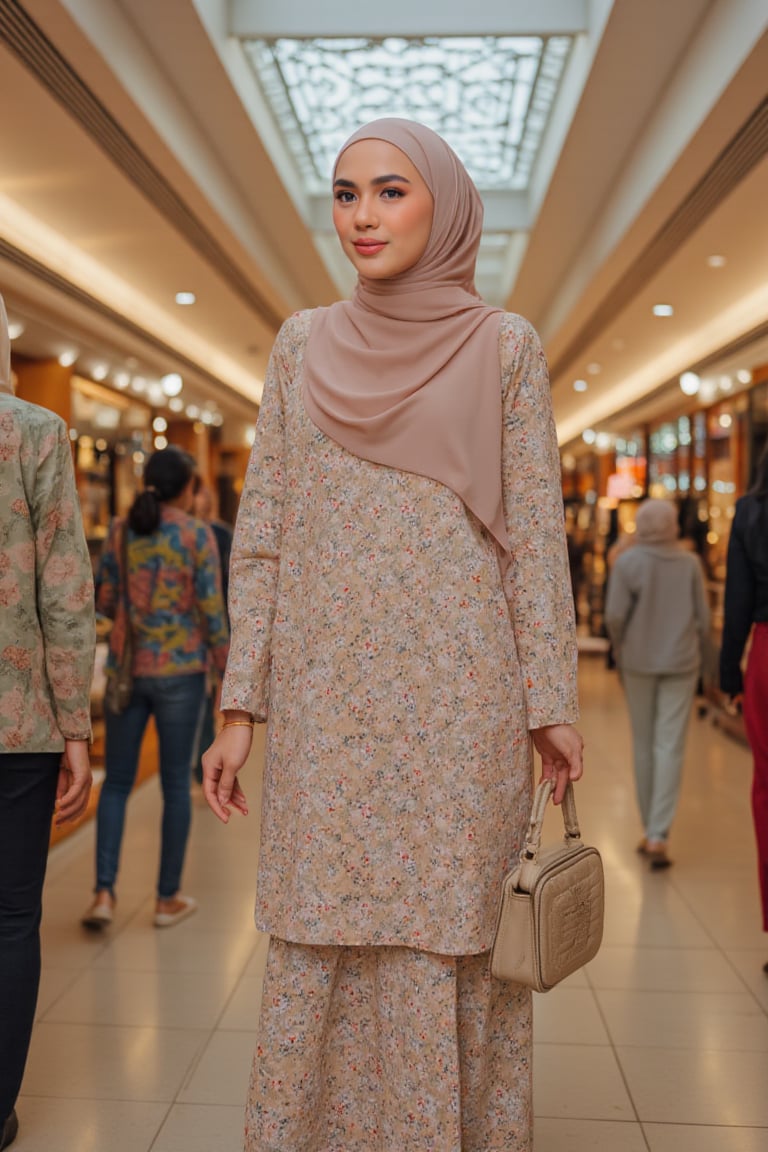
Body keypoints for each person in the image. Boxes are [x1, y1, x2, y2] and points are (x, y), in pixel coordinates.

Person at [202, 119, 583, 1152]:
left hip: (462, 716)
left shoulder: (505, 347)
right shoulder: (298, 344)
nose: (362, 217)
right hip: (329, 718)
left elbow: (534, 546)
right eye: (344, 194)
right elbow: (268, 535)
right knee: (323, 933)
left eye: (389, 191)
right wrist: (241, 706)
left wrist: (549, 703)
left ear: (444, 203)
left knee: (447, 942)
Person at [0, 294, 95, 1150]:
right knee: (10, 917)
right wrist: (78, 728)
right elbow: (64, 589)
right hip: (17, 719)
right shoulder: (32, 432)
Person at [82, 447, 229, 930]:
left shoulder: (124, 531)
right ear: (187, 488)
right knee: (174, 787)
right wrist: (227, 678)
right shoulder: (196, 534)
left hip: (128, 672)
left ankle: (103, 893)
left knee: (118, 784)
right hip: (182, 675)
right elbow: (212, 610)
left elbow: (103, 598)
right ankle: (166, 899)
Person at [605, 498, 709, 869]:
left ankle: (650, 827)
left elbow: (614, 616)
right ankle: (658, 834)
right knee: (671, 746)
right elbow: (703, 620)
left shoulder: (628, 563)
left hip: (638, 663)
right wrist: (709, 668)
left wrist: (619, 650)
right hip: (681, 663)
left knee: (644, 743)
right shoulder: (690, 563)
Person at [720, 444, 768, 966]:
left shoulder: (752, 512)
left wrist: (728, 673)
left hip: (766, 654)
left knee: (766, 790)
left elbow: (737, 600)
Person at [190, 476, 233, 786]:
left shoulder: (220, 534)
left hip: (210, 629)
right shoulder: (196, 534)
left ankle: (200, 767)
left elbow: (231, 588)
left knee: (207, 705)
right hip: (196, 639)